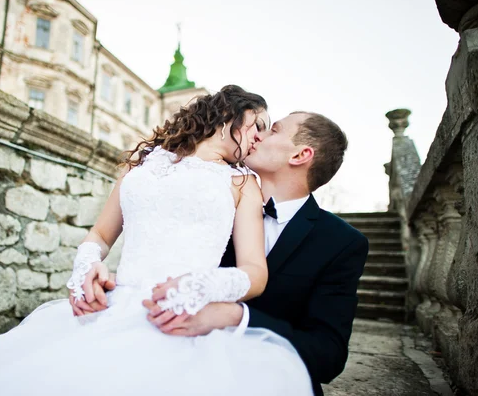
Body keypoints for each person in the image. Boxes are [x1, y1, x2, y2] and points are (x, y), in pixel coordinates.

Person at [0, 86, 313, 396]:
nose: (261, 138)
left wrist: (202, 287)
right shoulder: (143, 165)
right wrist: (86, 265)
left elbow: (254, 272)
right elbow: (101, 233)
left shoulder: (241, 182)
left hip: (177, 314)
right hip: (111, 305)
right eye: (258, 125)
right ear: (230, 113)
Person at [81, 112, 369, 396]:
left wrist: (234, 316)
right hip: (162, 353)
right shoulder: (209, 199)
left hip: (264, 379)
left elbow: (328, 355)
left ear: (299, 155)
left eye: (274, 129)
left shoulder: (341, 243)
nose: (257, 133)